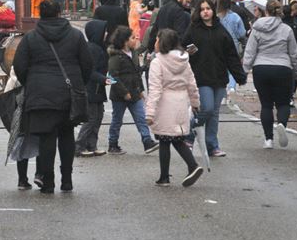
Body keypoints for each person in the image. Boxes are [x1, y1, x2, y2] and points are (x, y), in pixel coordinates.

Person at [12, 0, 93, 193]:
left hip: (40, 93)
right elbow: (87, 64)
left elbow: (19, 66)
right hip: (68, 94)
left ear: (40, 14)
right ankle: (67, 180)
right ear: (59, 13)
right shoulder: (75, 35)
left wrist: (30, 83)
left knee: (46, 138)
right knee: (66, 136)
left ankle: (48, 182)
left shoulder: (30, 38)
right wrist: (78, 83)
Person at [182, 0, 245, 157]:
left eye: (208, 8)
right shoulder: (193, 29)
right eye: (202, 9)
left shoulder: (221, 30)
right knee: (207, 108)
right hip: (201, 76)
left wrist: (239, 75)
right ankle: (188, 135)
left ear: (213, 10)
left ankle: (212, 146)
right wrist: (189, 53)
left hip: (219, 76)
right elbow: (182, 48)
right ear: (198, 11)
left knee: (214, 113)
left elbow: (231, 55)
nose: (205, 11)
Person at [145, 29, 203, 187]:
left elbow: (155, 89)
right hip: (181, 103)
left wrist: (150, 113)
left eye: (157, 40)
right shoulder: (184, 60)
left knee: (164, 140)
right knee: (177, 139)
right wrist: (196, 103)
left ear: (161, 42)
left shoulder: (158, 62)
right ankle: (191, 166)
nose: (155, 43)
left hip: (165, 104)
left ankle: (167, 176)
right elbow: (192, 84)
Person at [242, 0, 297, 149]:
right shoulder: (286, 29)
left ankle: (268, 139)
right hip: (282, 68)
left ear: (266, 10)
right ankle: (281, 123)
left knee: (266, 105)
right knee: (283, 103)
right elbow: (293, 54)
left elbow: (250, 51)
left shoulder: (257, 28)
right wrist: (296, 72)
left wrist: (244, 70)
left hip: (261, 68)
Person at [107, 26, 159, 155]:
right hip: (120, 96)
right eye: (132, 37)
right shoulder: (116, 56)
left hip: (134, 94)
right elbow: (112, 76)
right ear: (124, 41)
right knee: (117, 120)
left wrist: (140, 90)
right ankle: (112, 144)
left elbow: (136, 74)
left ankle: (147, 142)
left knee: (141, 117)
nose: (136, 39)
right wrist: (124, 92)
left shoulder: (133, 53)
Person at [75, 20, 109, 157]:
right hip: (91, 89)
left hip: (97, 89)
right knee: (91, 119)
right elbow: (90, 71)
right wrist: (104, 79)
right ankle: (79, 146)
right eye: (104, 31)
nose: (106, 34)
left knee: (98, 117)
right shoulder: (93, 49)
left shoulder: (99, 47)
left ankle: (92, 145)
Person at [217, 0, 247, 96]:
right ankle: (232, 87)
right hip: (234, 45)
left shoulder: (217, 17)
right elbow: (242, 33)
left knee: (222, 66)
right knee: (233, 65)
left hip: (219, 45)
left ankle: (222, 87)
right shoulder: (236, 17)